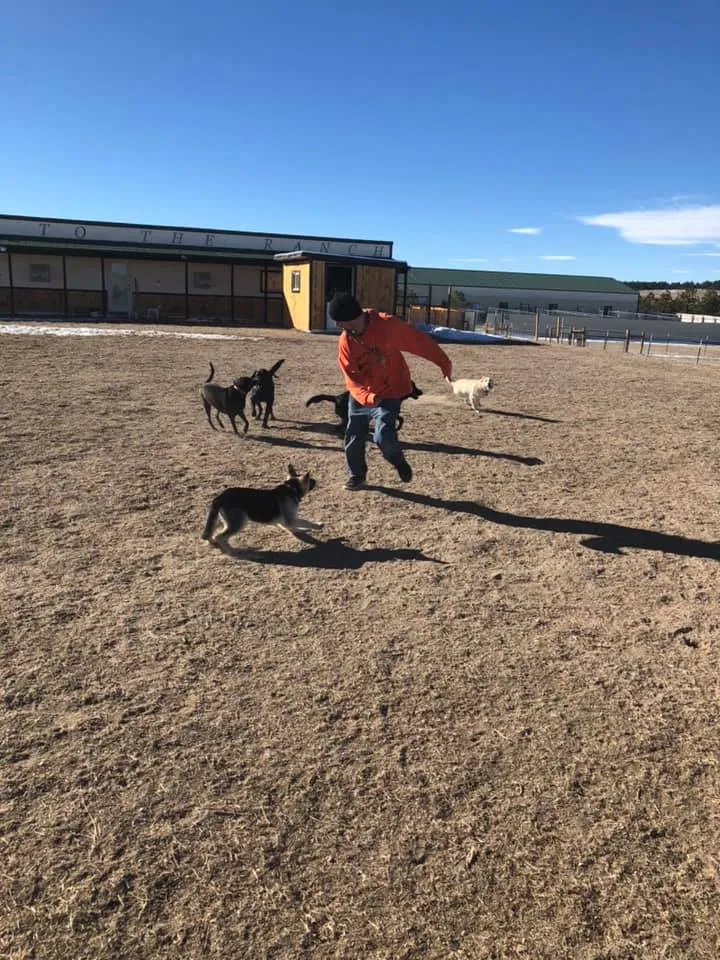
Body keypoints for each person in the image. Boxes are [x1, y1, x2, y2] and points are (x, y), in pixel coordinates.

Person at [328, 291, 452, 491]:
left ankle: (398, 461)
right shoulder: (346, 341)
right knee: (353, 435)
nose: (336, 325)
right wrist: (367, 397)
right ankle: (357, 475)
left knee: (383, 436)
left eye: (338, 320)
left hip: (390, 391)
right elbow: (351, 379)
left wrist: (444, 363)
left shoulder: (387, 326)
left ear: (350, 317)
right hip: (362, 394)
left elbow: (420, 343)